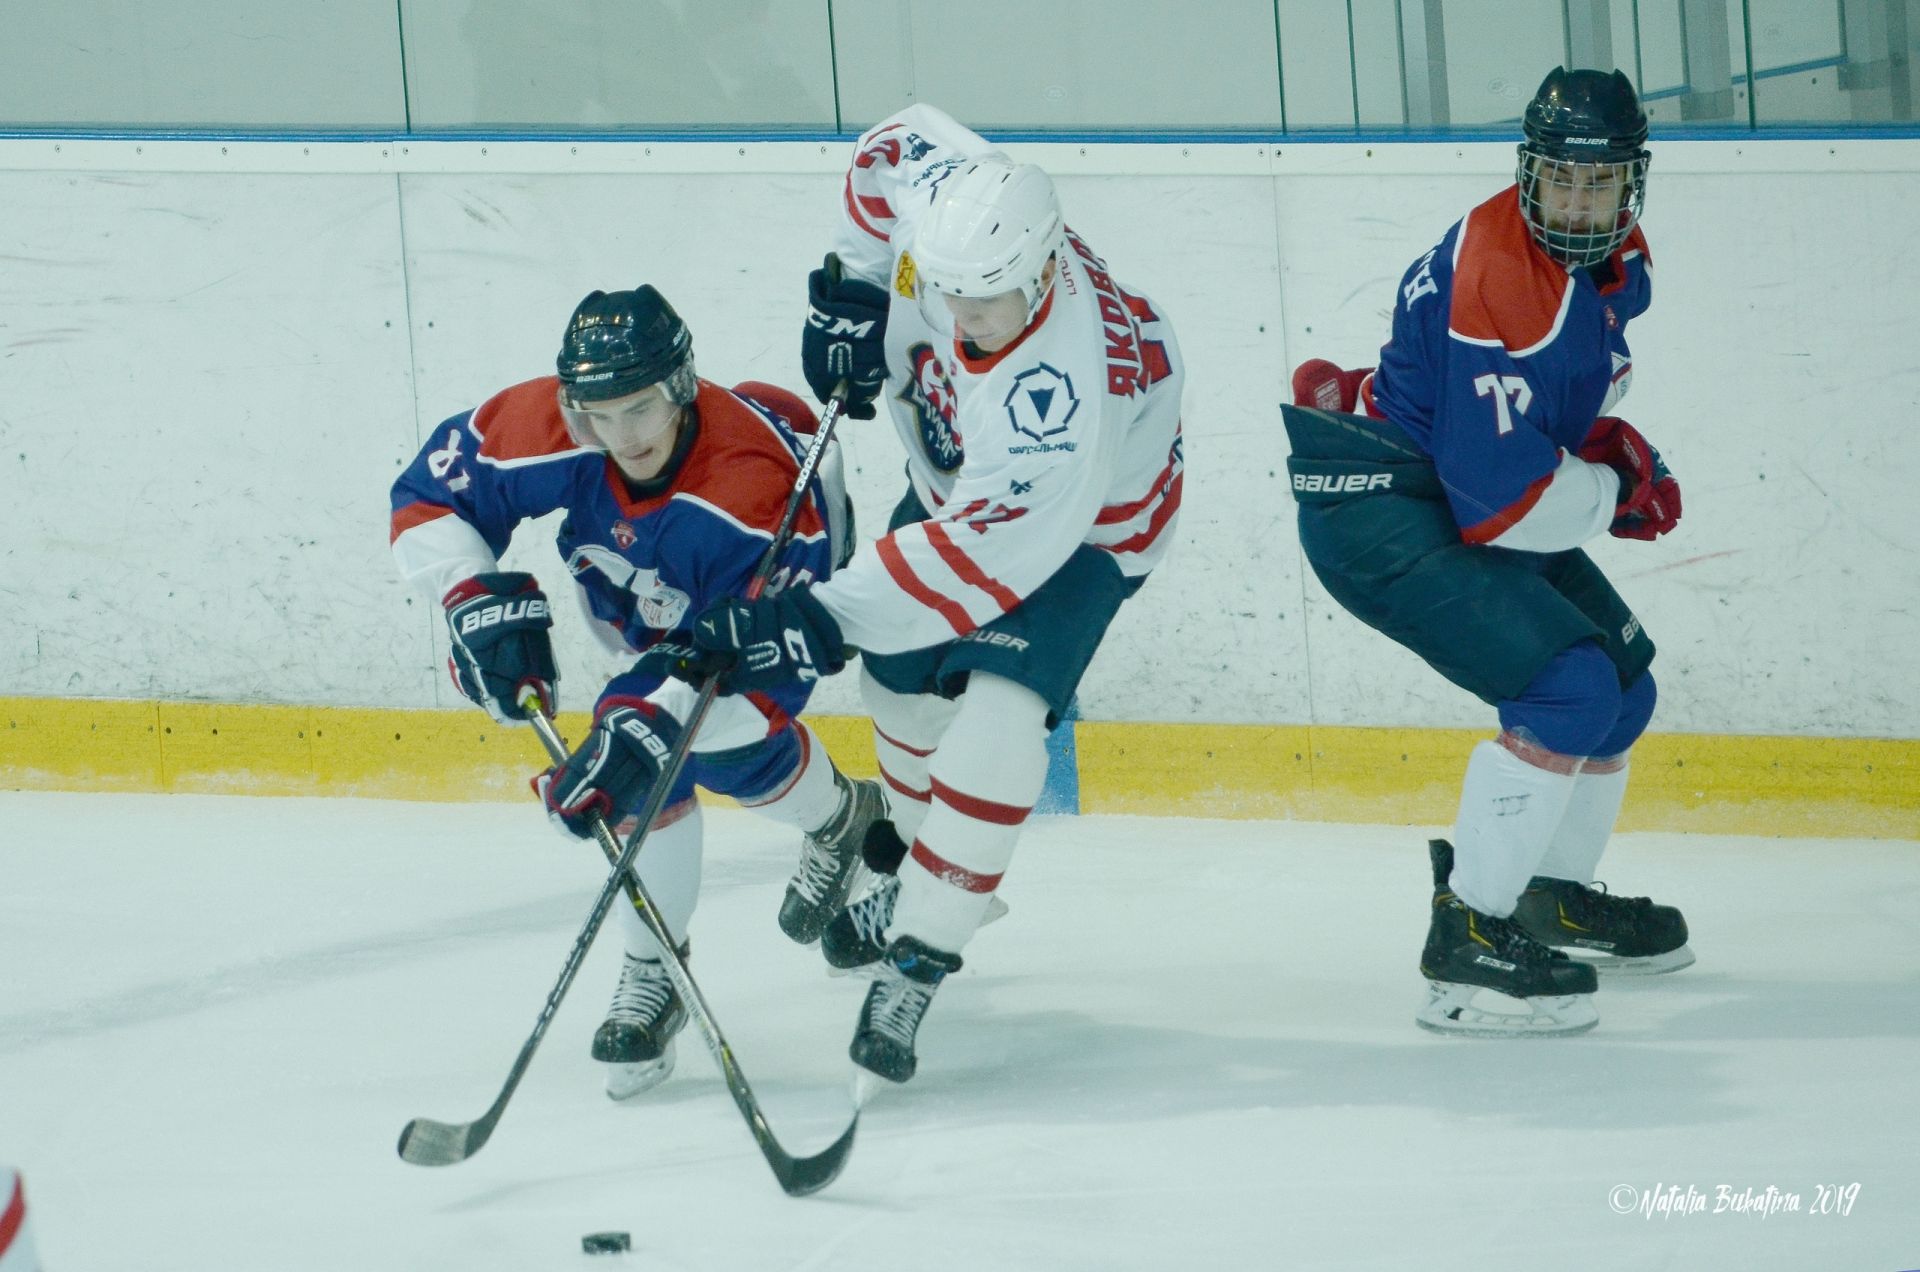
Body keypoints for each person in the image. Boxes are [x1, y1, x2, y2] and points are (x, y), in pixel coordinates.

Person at [671, 104, 1187, 1083]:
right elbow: (889, 146)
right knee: (897, 687)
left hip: (1087, 528)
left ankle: (923, 950)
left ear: (1045, 269)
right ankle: (921, 864)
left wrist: (814, 618)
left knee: (999, 715)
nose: (960, 319)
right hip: (963, 490)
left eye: (986, 303)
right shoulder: (953, 206)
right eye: (947, 294)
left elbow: (972, 564)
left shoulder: (1056, 401)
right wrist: (856, 285)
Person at [387, 285, 883, 1097]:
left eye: (642, 410)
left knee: (694, 752)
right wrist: (469, 594)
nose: (623, 437)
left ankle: (690, 937)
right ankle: (824, 833)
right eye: (599, 417)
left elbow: (736, 667)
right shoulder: (564, 422)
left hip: (766, 620)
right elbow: (430, 494)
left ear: (680, 386)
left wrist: (639, 725)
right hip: (643, 607)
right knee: (648, 750)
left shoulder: (747, 495)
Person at [1282, 67, 1692, 1038]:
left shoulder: (1613, 260)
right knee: (1570, 693)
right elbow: (1505, 507)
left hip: (1448, 482)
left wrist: (1598, 451)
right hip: (1384, 509)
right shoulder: (1499, 280)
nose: (1578, 203)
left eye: (1599, 182)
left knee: (1621, 691)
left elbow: (1536, 413)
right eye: (1561, 179)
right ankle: (1467, 937)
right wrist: (1614, 491)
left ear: (1631, 182)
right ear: (1528, 172)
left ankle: (1547, 897)